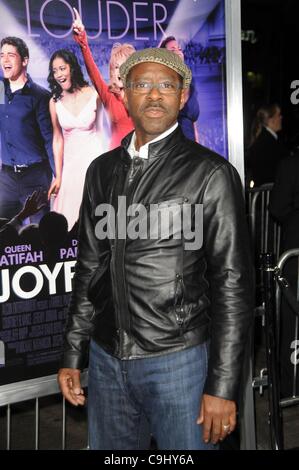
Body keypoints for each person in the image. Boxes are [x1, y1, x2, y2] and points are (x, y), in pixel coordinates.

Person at [58, 48, 253, 450]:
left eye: (166, 85)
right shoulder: (101, 171)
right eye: (142, 84)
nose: (154, 95)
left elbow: (233, 285)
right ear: (124, 94)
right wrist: (74, 352)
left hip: (180, 362)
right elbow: (89, 267)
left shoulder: (211, 175)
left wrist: (222, 384)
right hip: (108, 360)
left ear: (182, 97)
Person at [47, 49, 103, 230]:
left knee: (97, 221)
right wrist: (58, 175)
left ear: (72, 68)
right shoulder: (54, 102)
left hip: (94, 164)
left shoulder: (94, 94)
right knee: (70, 223)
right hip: (70, 169)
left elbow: (104, 132)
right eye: (54, 71)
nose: (58, 75)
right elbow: (57, 138)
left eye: (62, 68)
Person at [0, 36, 54, 223]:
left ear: (24, 60)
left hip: (35, 177)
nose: (5, 60)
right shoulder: (0, 90)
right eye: (1, 55)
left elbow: (49, 139)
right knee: (4, 235)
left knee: (40, 236)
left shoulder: (40, 96)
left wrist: (57, 175)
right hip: (6, 178)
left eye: (11, 55)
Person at [72, 8, 135, 149]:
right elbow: (92, 71)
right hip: (117, 160)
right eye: (117, 67)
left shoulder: (142, 95)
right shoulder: (108, 95)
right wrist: (82, 39)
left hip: (141, 162)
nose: (120, 72)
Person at [269, 155, 299, 398]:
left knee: (293, 320)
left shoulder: (291, 162)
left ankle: (292, 386)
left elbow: (278, 207)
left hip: (295, 252)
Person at [160, 36, 200, 141]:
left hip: (189, 136)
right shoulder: (162, 81)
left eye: (179, 49)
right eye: (173, 50)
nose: (178, 52)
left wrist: (196, 139)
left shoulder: (189, 79)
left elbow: (192, 116)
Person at [245, 103, 288, 187]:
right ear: (270, 120)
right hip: (271, 194)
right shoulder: (268, 143)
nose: (281, 117)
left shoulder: (264, 140)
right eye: (278, 115)